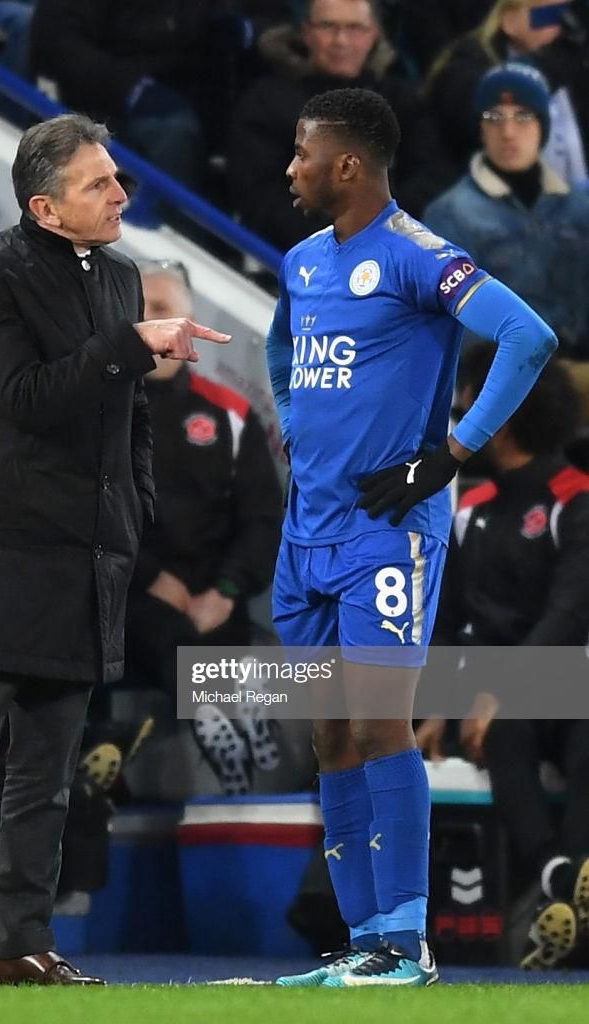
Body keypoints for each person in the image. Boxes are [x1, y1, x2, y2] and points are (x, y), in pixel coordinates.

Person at [0, 112, 230, 987]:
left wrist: (137, 502)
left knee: (47, 768)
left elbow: (129, 412)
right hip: (5, 547)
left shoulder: (121, 278)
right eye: (99, 184)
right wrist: (129, 347)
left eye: (117, 177)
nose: (122, 194)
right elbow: (27, 396)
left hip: (89, 554)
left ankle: (23, 945)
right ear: (45, 207)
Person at [267, 87, 556, 988]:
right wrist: (294, 417)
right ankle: (362, 944)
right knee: (329, 737)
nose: (289, 167)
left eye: (302, 153)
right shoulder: (302, 261)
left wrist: (449, 456)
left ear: (347, 165)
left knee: (382, 725)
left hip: (387, 532)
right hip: (304, 534)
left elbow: (526, 334)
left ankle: (404, 945)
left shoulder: (418, 255)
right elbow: (282, 354)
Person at [417, 344, 589, 971]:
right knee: (509, 730)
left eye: (474, 401)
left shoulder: (577, 498)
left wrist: (500, 692)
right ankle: (561, 878)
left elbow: (570, 616)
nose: (463, 415)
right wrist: (436, 707)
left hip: (565, 682)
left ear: (506, 412)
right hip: (485, 700)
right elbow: (441, 620)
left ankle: (562, 882)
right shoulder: (468, 508)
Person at [125, 259, 282, 793]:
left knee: (235, 637)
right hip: (133, 594)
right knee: (164, 630)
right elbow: (84, 517)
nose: (153, 322)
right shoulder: (94, 412)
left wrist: (226, 589)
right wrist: (152, 579)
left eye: (164, 309)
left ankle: (237, 731)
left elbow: (264, 519)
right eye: (140, 311)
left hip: (217, 592)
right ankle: (223, 720)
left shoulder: (231, 414)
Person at [229, 0, 452, 253]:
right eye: (327, 27)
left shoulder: (403, 102)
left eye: (355, 28)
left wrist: (380, 228)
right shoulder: (267, 102)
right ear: (306, 33)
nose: (341, 41)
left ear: (374, 36)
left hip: (391, 251)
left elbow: (431, 176)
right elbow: (260, 198)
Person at [29, 0, 290, 189]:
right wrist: (130, 89)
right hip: (107, 99)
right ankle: (176, 237)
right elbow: (59, 40)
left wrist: (249, 31)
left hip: (211, 92)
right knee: (174, 133)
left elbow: (282, 24)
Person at [424, 63, 589, 361]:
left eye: (523, 117)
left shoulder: (580, 208)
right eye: (494, 117)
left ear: (544, 127)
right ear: (481, 129)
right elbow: (449, 322)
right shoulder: (451, 215)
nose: (508, 132)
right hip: (503, 378)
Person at [426, 0, 589, 187]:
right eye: (551, 16)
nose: (565, 30)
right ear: (510, 21)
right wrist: (562, 55)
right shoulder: (463, 68)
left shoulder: (578, 66)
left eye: (570, 16)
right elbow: (479, 116)